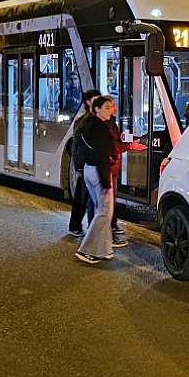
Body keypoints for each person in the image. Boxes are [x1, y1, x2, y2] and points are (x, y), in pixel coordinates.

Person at [76, 97, 119, 263]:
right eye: (107, 107)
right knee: (104, 213)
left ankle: (105, 249)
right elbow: (102, 156)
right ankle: (88, 250)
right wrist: (107, 182)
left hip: (89, 170)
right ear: (97, 109)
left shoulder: (87, 125)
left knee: (103, 212)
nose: (111, 110)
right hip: (99, 172)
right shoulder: (100, 128)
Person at [67, 89, 102, 238]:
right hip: (84, 164)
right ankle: (75, 226)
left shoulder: (99, 118)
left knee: (93, 199)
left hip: (94, 165)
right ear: (88, 102)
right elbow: (76, 145)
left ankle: (92, 227)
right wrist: (77, 165)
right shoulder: (82, 120)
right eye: (95, 100)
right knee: (81, 197)